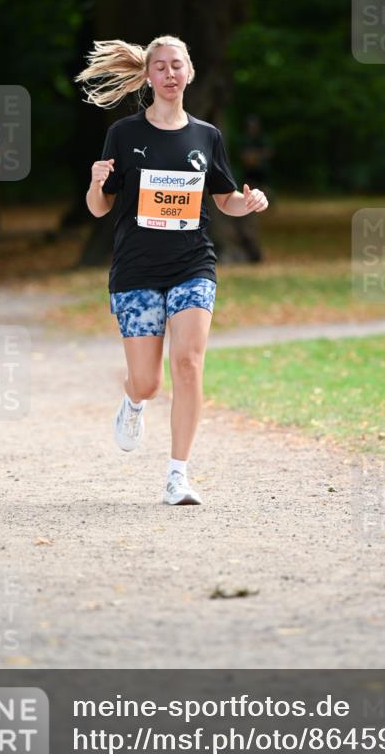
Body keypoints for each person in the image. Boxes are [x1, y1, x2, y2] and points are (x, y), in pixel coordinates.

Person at [76, 35, 269, 506]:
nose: (168, 74)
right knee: (148, 380)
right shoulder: (125, 134)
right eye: (159, 67)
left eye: (176, 65)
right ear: (148, 76)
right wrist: (97, 184)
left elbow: (226, 199)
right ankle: (134, 402)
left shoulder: (207, 136)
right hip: (137, 268)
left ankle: (177, 475)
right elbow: (100, 209)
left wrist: (250, 202)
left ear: (190, 72)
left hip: (192, 264)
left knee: (188, 363)